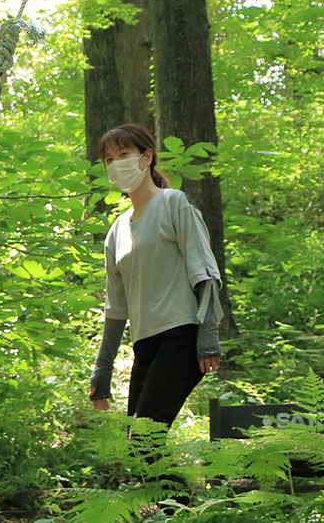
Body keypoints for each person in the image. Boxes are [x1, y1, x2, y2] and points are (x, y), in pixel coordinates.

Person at [89, 124, 223, 428]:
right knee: (140, 443)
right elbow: (116, 308)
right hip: (145, 345)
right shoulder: (117, 231)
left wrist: (208, 336)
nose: (116, 164)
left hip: (182, 337)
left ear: (146, 157)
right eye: (109, 160)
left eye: (123, 154)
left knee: (143, 439)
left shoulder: (174, 203)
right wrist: (103, 368)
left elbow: (204, 271)